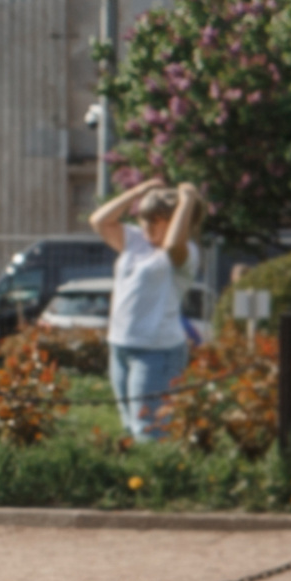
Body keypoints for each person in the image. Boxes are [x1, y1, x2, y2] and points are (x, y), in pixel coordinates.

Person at [91, 177, 206, 441]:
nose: (145, 224)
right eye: (144, 217)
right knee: (130, 426)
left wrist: (187, 200)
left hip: (157, 353)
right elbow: (99, 221)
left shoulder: (184, 254)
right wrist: (137, 191)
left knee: (149, 431)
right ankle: (136, 479)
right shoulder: (134, 240)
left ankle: (156, 479)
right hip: (120, 345)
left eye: (155, 219)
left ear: (176, 220)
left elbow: (172, 245)